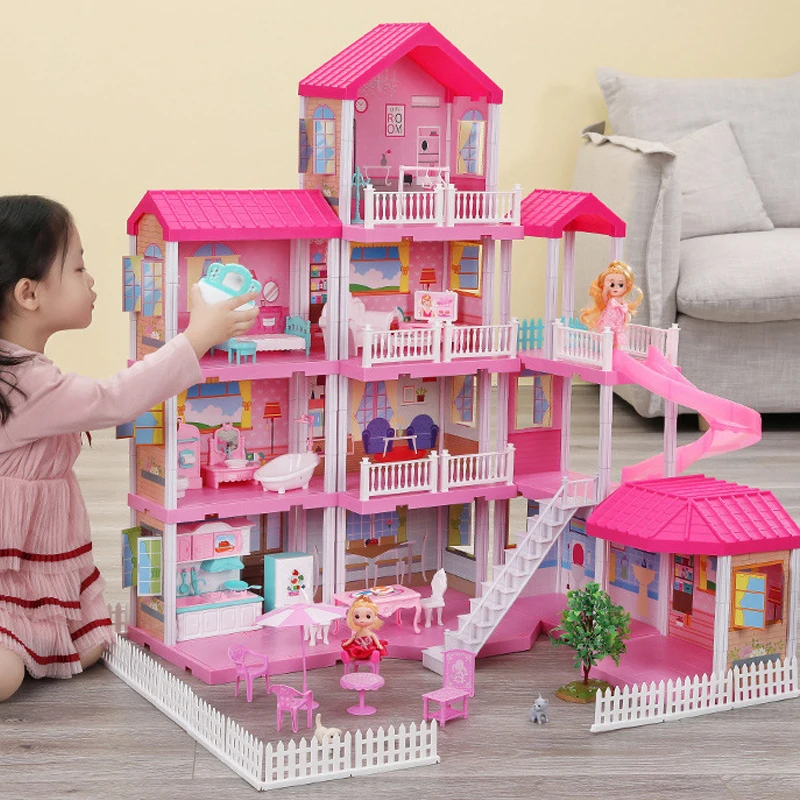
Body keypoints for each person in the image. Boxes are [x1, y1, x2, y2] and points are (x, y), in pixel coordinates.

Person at [0, 195, 258, 701]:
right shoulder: (26, 385)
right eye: (78, 268)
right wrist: (196, 337)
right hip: (16, 556)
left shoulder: (22, 373)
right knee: (8, 675)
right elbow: (115, 398)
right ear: (29, 293)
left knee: (92, 646)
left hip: (34, 550)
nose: (92, 281)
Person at [579, 260, 643, 349]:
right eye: (612, 285)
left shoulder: (623, 302)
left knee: (617, 341)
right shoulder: (610, 300)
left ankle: (615, 352)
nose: (616, 288)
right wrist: (606, 287)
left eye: (620, 285)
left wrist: (626, 322)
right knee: (608, 340)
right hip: (609, 323)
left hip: (618, 324)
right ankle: (608, 351)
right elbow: (604, 296)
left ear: (626, 287)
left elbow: (626, 313)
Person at [341, 596, 387, 662]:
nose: (362, 620)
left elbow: (376, 640)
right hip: (359, 648)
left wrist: (378, 645)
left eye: (368, 616)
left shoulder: (371, 634)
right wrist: (347, 643)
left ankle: (373, 657)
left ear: (374, 618)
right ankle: (348, 658)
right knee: (353, 650)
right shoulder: (356, 634)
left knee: (372, 651)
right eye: (357, 617)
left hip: (369, 648)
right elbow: (351, 639)